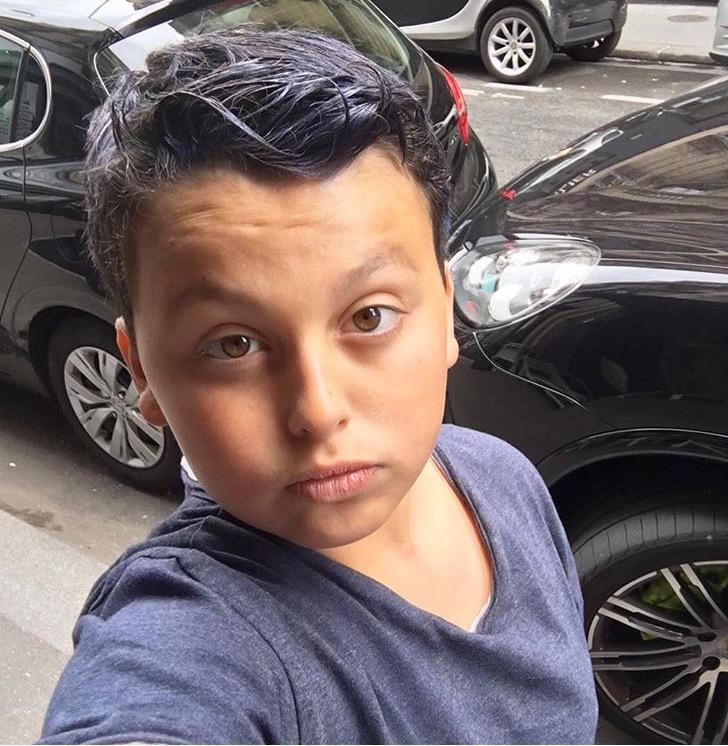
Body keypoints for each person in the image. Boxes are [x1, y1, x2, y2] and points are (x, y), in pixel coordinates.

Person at [39, 27, 597, 744]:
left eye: (370, 316)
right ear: (140, 368)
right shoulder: (192, 641)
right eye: (233, 344)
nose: (317, 410)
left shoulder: (503, 478)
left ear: (445, 308)